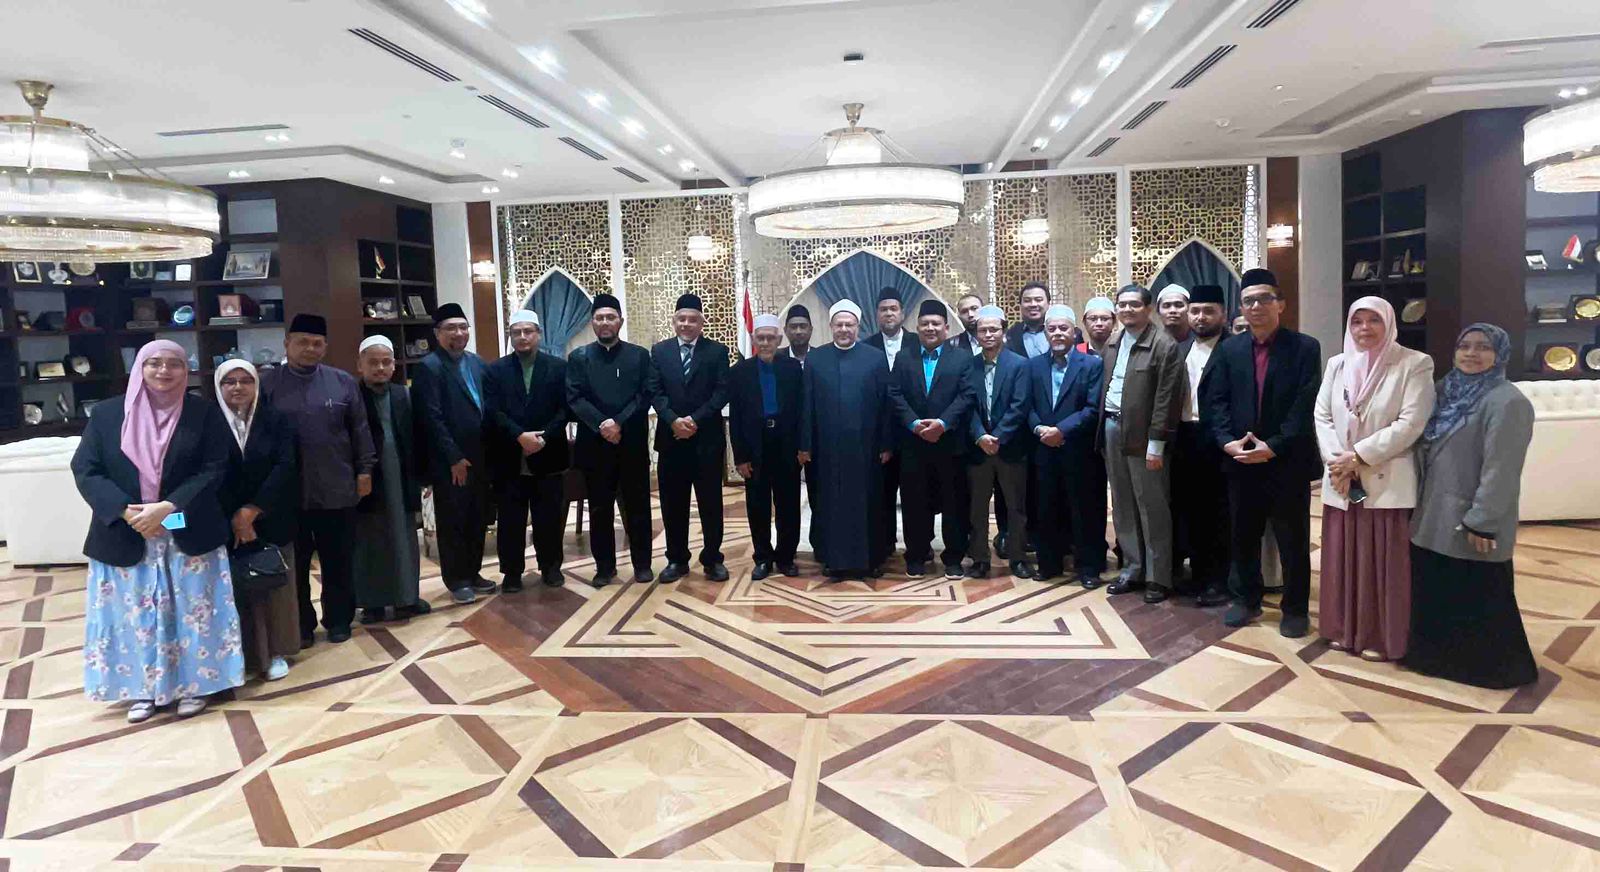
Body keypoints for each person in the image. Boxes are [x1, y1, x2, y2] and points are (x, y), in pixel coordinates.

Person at [72, 340, 243, 722]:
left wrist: (169, 506)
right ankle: (142, 688)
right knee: (134, 616)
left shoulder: (203, 413)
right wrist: (125, 510)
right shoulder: (107, 414)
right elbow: (86, 468)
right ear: (140, 368)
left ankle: (195, 686)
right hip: (127, 529)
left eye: (174, 364)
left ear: (186, 370)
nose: (164, 371)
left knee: (194, 613)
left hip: (184, 525)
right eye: (154, 363)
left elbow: (215, 468)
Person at [1402, 323, 1537, 688]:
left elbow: (1502, 469)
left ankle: (1490, 670)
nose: (1471, 354)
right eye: (1465, 346)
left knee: (1479, 592)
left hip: (1470, 518)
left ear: (1500, 355)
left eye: (1483, 347)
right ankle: (1436, 660)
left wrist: (1483, 520)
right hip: (1433, 513)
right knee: (1439, 588)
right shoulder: (1444, 391)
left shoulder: (1508, 402)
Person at [1199, 268, 1322, 637]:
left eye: (1264, 299)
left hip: (1286, 461)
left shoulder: (1305, 348)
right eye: (1248, 301)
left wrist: (1275, 446)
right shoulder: (1229, 349)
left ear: (1280, 303)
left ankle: (1295, 609)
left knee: (1293, 539)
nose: (1256, 306)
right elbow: (1216, 401)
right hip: (1240, 460)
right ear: (1241, 307)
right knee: (1243, 535)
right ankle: (1246, 599)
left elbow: (1305, 405)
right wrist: (1227, 441)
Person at [1314, 297, 1435, 661]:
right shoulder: (1337, 364)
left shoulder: (1414, 363)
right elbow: (1322, 415)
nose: (1364, 328)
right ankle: (1341, 628)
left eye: (1373, 320)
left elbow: (1411, 423)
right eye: (1357, 321)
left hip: (1384, 477)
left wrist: (1359, 457)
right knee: (1343, 558)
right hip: (1342, 479)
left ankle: (1380, 636)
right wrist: (1337, 461)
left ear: (1389, 323)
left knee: (1382, 564)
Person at [261, 314, 375, 646]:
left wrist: (365, 470)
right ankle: (301, 625)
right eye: (302, 342)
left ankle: (339, 620)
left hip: (337, 486)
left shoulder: (342, 382)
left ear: (325, 347)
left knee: (338, 560)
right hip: (286, 493)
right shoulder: (267, 384)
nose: (310, 349)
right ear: (287, 344)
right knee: (294, 564)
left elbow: (360, 430)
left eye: (317, 343)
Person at [215, 360, 300, 682]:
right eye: (229, 381)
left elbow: (286, 466)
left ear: (256, 385)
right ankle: (242, 656)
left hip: (271, 515)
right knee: (236, 591)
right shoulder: (208, 423)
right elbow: (207, 471)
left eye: (245, 380)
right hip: (224, 522)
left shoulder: (276, 419)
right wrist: (235, 516)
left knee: (274, 588)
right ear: (219, 387)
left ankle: (276, 652)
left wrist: (253, 510)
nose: (238, 387)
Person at [1098, 284, 1183, 603]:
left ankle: (1158, 576)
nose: (1127, 310)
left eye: (1134, 304)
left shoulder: (1163, 345)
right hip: (1112, 426)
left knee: (1152, 506)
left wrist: (1156, 443)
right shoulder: (1113, 342)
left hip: (1145, 435)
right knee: (1122, 503)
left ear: (1148, 310)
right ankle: (1132, 568)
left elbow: (1166, 399)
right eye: (1122, 304)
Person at [801, 299, 896, 580]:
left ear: (858, 326)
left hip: (866, 449)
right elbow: (807, 404)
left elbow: (886, 404)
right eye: (839, 325)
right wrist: (805, 444)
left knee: (868, 503)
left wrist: (886, 443)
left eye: (849, 325)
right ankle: (833, 559)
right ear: (831, 327)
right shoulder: (816, 359)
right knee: (831, 504)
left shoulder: (875, 358)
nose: (844, 329)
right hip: (827, 449)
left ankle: (871, 559)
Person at [567, 293, 657, 587]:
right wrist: (601, 423)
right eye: (599, 318)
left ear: (621, 321)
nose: (605, 322)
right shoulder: (579, 357)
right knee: (599, 509)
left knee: (638, 507)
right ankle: (604, 568)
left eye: (610, 317)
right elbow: (574, 397)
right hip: (595, 447)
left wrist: (618, 422)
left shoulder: (639, 356)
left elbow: (645, 395)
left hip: (630, 443)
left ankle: (642, 565)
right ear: (592, 322)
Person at [412, 303, 496, 604]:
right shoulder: (429, 367)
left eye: (462, 327)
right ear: (437, 333)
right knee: (454, 521)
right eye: (450, 328)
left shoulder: (477, 363)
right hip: (452, 461)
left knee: (477, 517)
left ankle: (473, 572)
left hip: (481, 456)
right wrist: (454, 457)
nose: (458, 333)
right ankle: (457, 579)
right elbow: (431, 418)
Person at [485, 309, 571, 590]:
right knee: (511, 519)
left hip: (549, 453)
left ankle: (551, 567)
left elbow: (565, 409)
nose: (522, 337)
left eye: (528, 331)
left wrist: (543, 437)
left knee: (549, 517)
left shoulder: (558, 367)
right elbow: (493, 411)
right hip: (509, 456)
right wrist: (519, 436)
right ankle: (511, 573)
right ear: (510, 336)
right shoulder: (495, 370)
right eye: (516, 332)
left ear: (539, 334)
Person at [889, 299, 974, 579]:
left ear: (946, 328)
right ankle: (916, 555)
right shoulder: (904, 358)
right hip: (914, 444)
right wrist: (914, 424)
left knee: (954, 504)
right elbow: (895, 394)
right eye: (925, 323)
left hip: (950, 444)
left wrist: (943, 423)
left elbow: (967, 395)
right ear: (917, 327)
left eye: (936, 323)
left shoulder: (961, 358)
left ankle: (953, 558)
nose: (930, 328)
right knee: (915, 503)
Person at [651, 293, 731, 583]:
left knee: (711, 503)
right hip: (671, 440)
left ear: (702, 322)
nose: (686, 324)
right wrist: (673, 419)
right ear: (674, 321)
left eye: (692, 319)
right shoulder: (660, 351)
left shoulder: (717, 351)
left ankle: (712, 558)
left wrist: (694, 420)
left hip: (706, 440)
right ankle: (676, 559)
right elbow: (654, 391)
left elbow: (722, 392)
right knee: (673, 503)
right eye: (681, 319)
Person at [1027, 306, 1106, 587]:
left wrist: (1061, 430)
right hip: (1043, 448)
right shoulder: (1033, 365)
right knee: (1046, 508)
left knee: (1084, 509)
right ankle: (1049, 564)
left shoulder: (1092, 365)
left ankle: (1089, 568)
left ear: (1074, 331)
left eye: (1063, 328)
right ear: (1045, 333)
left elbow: (1092, 408)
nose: (1058, 333)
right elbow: (1027, 406)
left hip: (1079, 449)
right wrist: (1040, 429)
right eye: (1052, 329)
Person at [352, 336, 430, 620]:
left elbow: (419, 436)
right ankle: (372, 604)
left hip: (401, 475)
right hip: (366, 478)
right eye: (373, 363)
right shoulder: (352, 396)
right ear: (360, 365)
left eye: (386, 362)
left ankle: (406, 599)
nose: (380, 368)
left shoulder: (402, 395)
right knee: (368, 540)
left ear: (394, 366)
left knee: (403, 538)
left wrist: (424, 476)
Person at [729, 313, 804, 580]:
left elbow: (802, 411)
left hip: (786, 445)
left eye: (770, 338)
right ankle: (762, 557)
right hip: (755, 447)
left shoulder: (793, 368)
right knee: (757, 505)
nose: (765, 343)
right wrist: (740, 457)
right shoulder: (739, 372)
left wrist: (803, 447)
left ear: (779, 339)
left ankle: (786, 557)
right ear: (753, 340)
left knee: (788, 505)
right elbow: (736, 417)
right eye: (760, 338)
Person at [1172, 285, 1233, 606]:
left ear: (1223, 314)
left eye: (1208, 311)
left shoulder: (1234, 349)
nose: (1200, 317)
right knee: (1190, 510)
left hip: (1218, 441)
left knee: (1219, 513)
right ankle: (1197, 574)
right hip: (1185, 438)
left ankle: (1218, 580)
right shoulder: (1180, 349)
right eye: (1195, 311)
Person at [965, 306, 1033, 579]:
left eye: (994, 329)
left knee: (1016, 507)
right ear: (976, 334)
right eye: (983, 330)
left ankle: (1018, 558)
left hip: (1010, 447)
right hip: (978, 447)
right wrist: (980, 435)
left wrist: (999, 436)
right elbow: (966, 405)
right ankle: (980, 559)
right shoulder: (968, 365)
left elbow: (1020, 405)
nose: (988, 334)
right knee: (977, 508)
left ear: (1003, 332)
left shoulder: (1020, 364)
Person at [865, 287, 913, 554]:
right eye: (883, 309)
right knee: (882, 492)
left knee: (915, 493)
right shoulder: (865, 346)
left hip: (913, 432)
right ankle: (884, 544)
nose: (888, 313)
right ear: (877, 315)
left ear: (902, 313)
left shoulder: (918, 342)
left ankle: (919, 544)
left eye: (893, 309)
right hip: (879, 434)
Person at [1005, 282, 1052, 358]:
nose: (1033, 304)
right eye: (1027, 300)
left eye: (1038, 300)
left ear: (1048, 303)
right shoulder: (1011, 334)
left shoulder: (1059, 331)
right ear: (1020, 305)